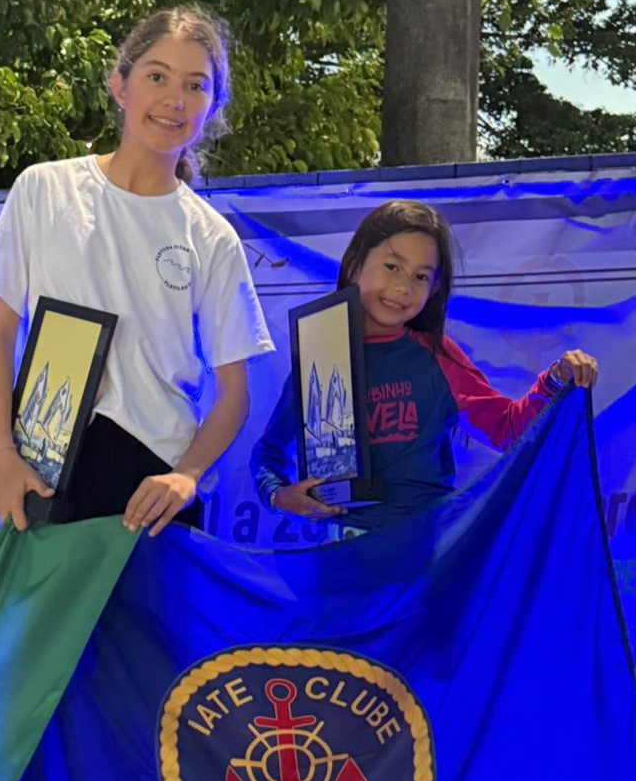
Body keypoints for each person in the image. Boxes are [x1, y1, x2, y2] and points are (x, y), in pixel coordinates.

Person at [0, 5, 273, 538]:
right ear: (119, 85)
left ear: (213, 106)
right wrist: (1, 452)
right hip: (43, 467)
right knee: (45, 624)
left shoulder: (212, 236)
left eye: (196, 86)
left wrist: (186, 476)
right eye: (157, 75)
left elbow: (234, 394)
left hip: (152, 488)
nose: (174, 100)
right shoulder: (44, 189)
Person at [249, 199, 600, 536]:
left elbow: (509, 430)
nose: (403, 287)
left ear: (434, 288)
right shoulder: (320, 355)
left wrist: (555, 380)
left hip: (428, 569)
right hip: (338, 572)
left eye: (421, 277)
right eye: (392, 267)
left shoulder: (438, 356)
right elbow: (268, 453)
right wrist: (278, 496)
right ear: (355, 265)